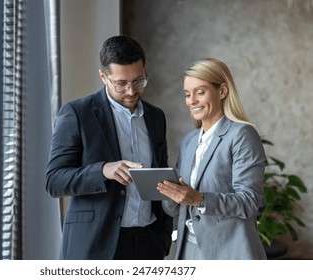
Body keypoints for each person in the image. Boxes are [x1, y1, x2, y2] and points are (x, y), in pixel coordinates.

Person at [45, 35, 173, 260]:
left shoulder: (156, 117)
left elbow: (159, 171)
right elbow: (54, 181)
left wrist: (162, 236)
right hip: (96, 245)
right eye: (121, 83)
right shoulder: (77, 113)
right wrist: (103, 170)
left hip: (149, 242)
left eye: (139, 81)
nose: (132, 91)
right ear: (104, 77)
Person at [157, 58, 267, 260]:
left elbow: (249, 201)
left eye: (200, 92)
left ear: (222, 91)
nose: (192, 101)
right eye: (187, 95)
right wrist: (169, 192)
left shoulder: (242, 134)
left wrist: (198, 199)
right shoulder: (189, 140)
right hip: (187, 250)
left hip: (228, 251)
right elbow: (174, 208)